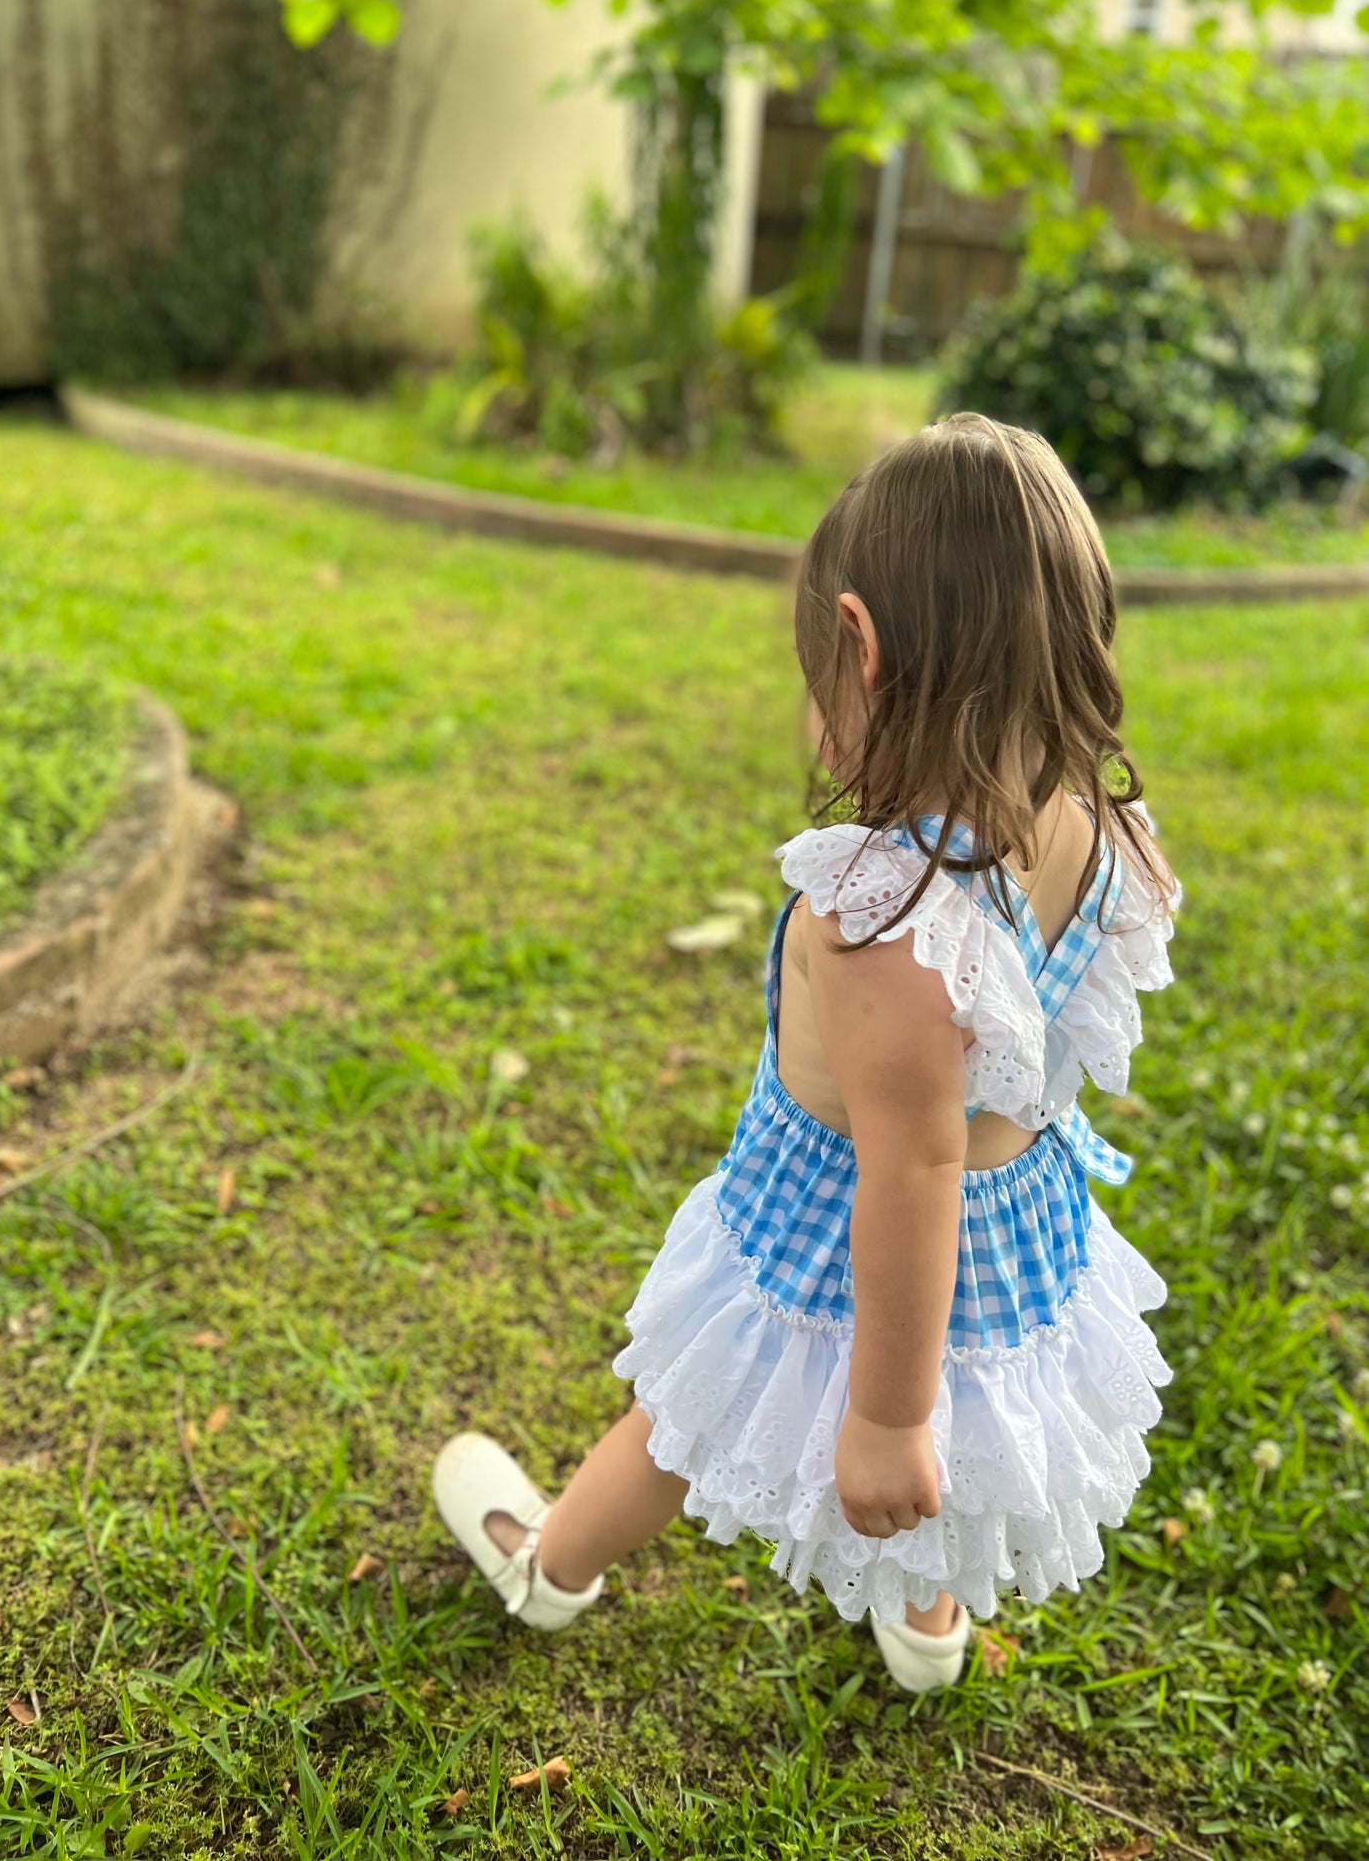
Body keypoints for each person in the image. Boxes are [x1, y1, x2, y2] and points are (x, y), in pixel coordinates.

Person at [433, 412, 1181, 1691]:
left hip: (836, 1235)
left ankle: (551, 1564)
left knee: (693, 1411)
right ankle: (926, 1618)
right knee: (973, 1405)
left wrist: (882, 1419)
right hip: (1011, 1239)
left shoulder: (879, 917)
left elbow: (911, 1167)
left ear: (862, 649)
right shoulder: (1094, 834)